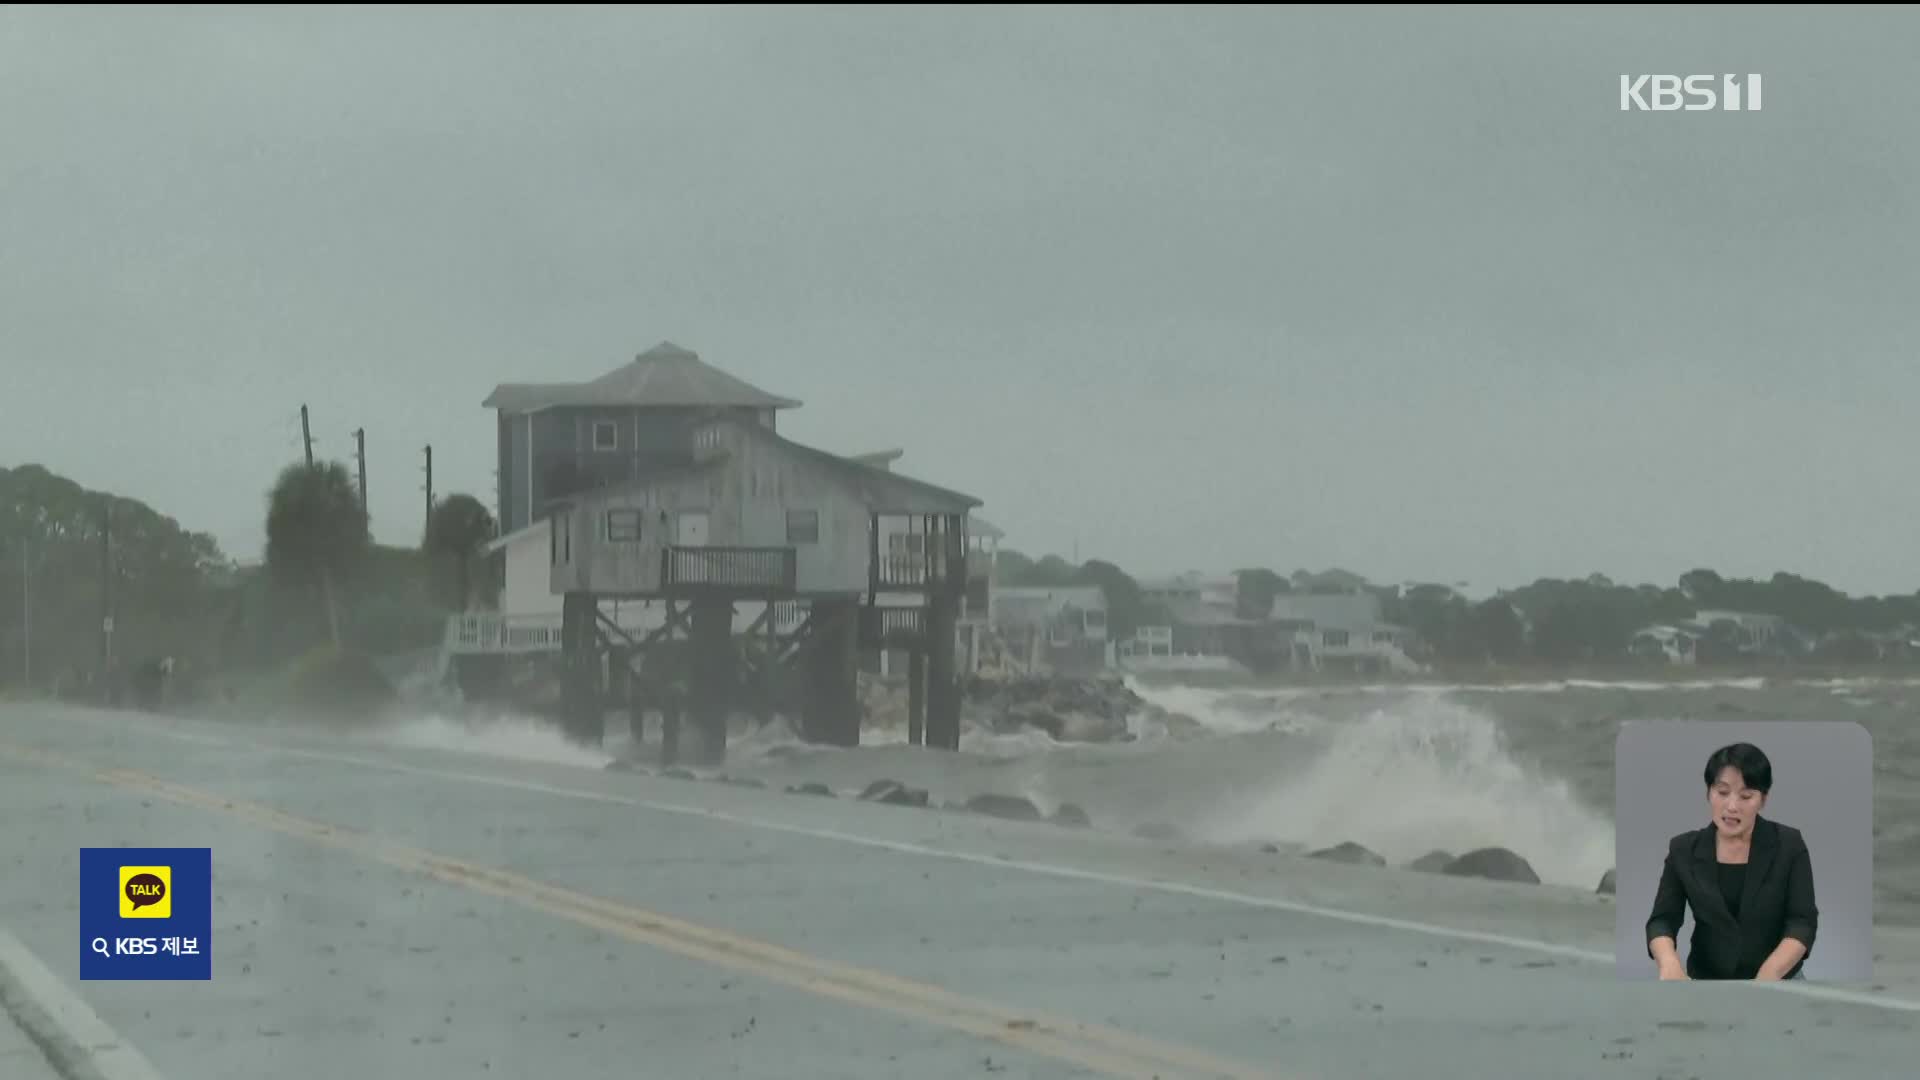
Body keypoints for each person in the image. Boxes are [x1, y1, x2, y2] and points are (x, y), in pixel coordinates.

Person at [1645, 742, 1818, 981]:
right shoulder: (1683, 849)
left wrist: (1770, 972)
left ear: (1763, 799)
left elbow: (1802, 922)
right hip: (1707, 980)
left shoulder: (1789, 845)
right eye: (1723, 793)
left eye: (1746, 796)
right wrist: (1668, 962)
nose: (1732, 806)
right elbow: (1662, 920)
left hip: (1779, 980)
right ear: (1709, 793)